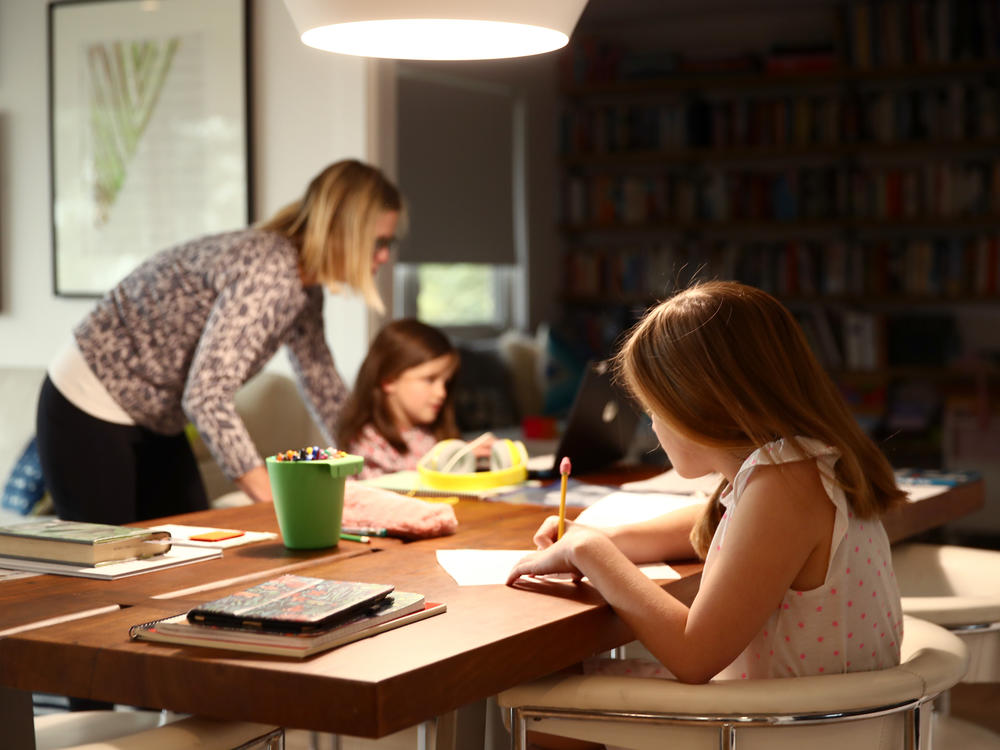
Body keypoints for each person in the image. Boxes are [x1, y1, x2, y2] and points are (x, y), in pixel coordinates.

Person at [508, 281, 906, 695]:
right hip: (814, 715)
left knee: (543, 688)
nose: (654, 429)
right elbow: (729, 532)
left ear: (698, 405)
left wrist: (589, 552)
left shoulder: (785, 485)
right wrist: (604, 539)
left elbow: (694, 656)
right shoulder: (802, 466)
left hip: (789, 728)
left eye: (652, 410)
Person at [36, 159, 402, 524]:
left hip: (157, 416)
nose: (385, 256)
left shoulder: (306, 289)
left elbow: (321, 382)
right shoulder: (269, 272)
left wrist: (371, 471)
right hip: (88, 401)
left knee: (184, 551)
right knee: (106, 564)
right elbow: (206, 396)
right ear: (342, 231)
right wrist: (269, 493)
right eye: (378, 242)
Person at [337, 319, 461, 479]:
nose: (441, 392)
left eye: (446, 382)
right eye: (430, 379)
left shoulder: (431, 434)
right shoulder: (368, 446)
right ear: (389, 380)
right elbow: (393, 498)